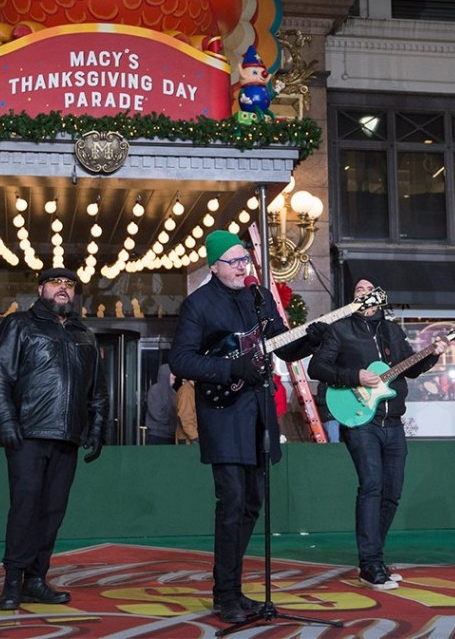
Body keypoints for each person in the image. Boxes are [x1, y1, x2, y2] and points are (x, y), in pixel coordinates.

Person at [169, 230, 324, 623]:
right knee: (232, 503)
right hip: (223, 417)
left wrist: (310, 340)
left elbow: (281, 345)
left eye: (245, 260)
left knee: (252, 503)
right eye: (235, 261)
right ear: (215, 265)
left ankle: (235, 590)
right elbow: (182, 361)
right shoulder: (198, 305)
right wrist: (229, 368)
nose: (243, 267)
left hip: (257, 414)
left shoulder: (259, 298)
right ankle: (224, 596)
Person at [307, 278, 447, 590]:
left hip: (393, 421)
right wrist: (353, 375)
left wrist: (433, 354)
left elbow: (411, 367)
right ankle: (370, 564)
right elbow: (316, 367)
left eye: (370, 289)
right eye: (358, 289)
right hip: (359, 420)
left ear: (380, 299)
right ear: (353, 299)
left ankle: (374, 557)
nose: (365, 292)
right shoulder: (340, 329)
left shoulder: (393, 331)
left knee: (392, 491)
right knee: (371, 484)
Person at [0, 267, 109, 611]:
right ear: (41, 288)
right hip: (27, 434)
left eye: (70, 285)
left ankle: (35, 580)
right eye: (56, 283)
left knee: (53, 511)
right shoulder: (19, 325)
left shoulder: (85, 334)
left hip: (68, 436)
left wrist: (97, 430)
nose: (63, 289)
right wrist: (6, 421)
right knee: (25, 508)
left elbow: (97, 391)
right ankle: (12, 581)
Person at [144, 364, 178, 445]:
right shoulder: (154, 390)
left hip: (170, 436)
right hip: (156, 435)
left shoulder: (173, 393)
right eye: (172, 373)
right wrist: (171, 419)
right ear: (165, 374)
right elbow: (156, 414)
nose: (175, 376)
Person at [175, 378, 199, 443]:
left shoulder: (192, 390)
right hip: (188, 440)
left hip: (189, 437)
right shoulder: (187, 391)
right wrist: (195, 437)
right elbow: (185, 416)